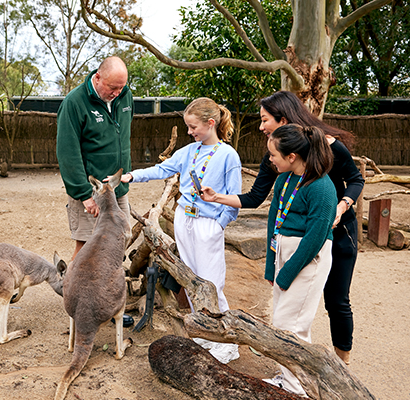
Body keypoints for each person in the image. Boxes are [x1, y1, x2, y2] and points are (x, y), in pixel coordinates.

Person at [200, 91, 364, 366]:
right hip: (299, 234)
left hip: (336, 228)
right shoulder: (277, 158)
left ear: (284, 119)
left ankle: (342, 363)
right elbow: (254, 198)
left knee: (336, 300)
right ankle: (297, 359)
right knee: (293, 309)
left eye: (265, 120)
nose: (261, 126)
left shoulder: (329, 147)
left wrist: (341, 205)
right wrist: (217, 197)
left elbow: (355, 179)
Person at [113, 97, 242, 363]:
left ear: (210, 123)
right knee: (191, 279)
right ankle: (204, 333)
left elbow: (235, 197)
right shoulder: (189, 151)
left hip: (208, 224)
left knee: (211, 281)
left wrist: (219, 224)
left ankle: (226, 339)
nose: (189, 131)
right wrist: (132, 176)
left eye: (193, 126)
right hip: (185, 220)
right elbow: (162, 169)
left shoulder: (228, 155)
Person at [258, 123, 336, 396]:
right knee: (283, 322)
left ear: (292, 156)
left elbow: (316, 237)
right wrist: (272, 265)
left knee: (290, 325)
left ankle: (296, 389)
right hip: (284, 255)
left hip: (306, 261)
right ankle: (288, 379)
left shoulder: (322, 187)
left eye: (273, 155)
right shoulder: (284, 180)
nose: (270, 159)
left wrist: (287, 272)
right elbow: (273, 223)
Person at [56, 56, 134, 327]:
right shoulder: (75, 103)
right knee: (86, 244)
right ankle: (75, 304)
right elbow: (67, 153)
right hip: (92, 191)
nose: (117, 93)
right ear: (97, 77)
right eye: (112, 88)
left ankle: (107, 303)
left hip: (117, 187)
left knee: (117, 243)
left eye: (121, 88)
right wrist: (83, 194)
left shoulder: (125, 96)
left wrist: (124, 177)